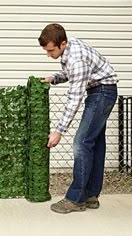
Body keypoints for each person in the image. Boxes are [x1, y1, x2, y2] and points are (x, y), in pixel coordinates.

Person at [39, 23, 118, 214]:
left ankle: (75, 199)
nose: (48, 54)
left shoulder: (76, 59)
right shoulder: (69, 49)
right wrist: (55, 78)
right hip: (102, 91)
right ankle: (91, 196)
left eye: (50, 50)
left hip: (102, 93)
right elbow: (72, 75)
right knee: (95, 143)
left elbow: (74, 98)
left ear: (62, 43)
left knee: (81, 143)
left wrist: (59, 131)